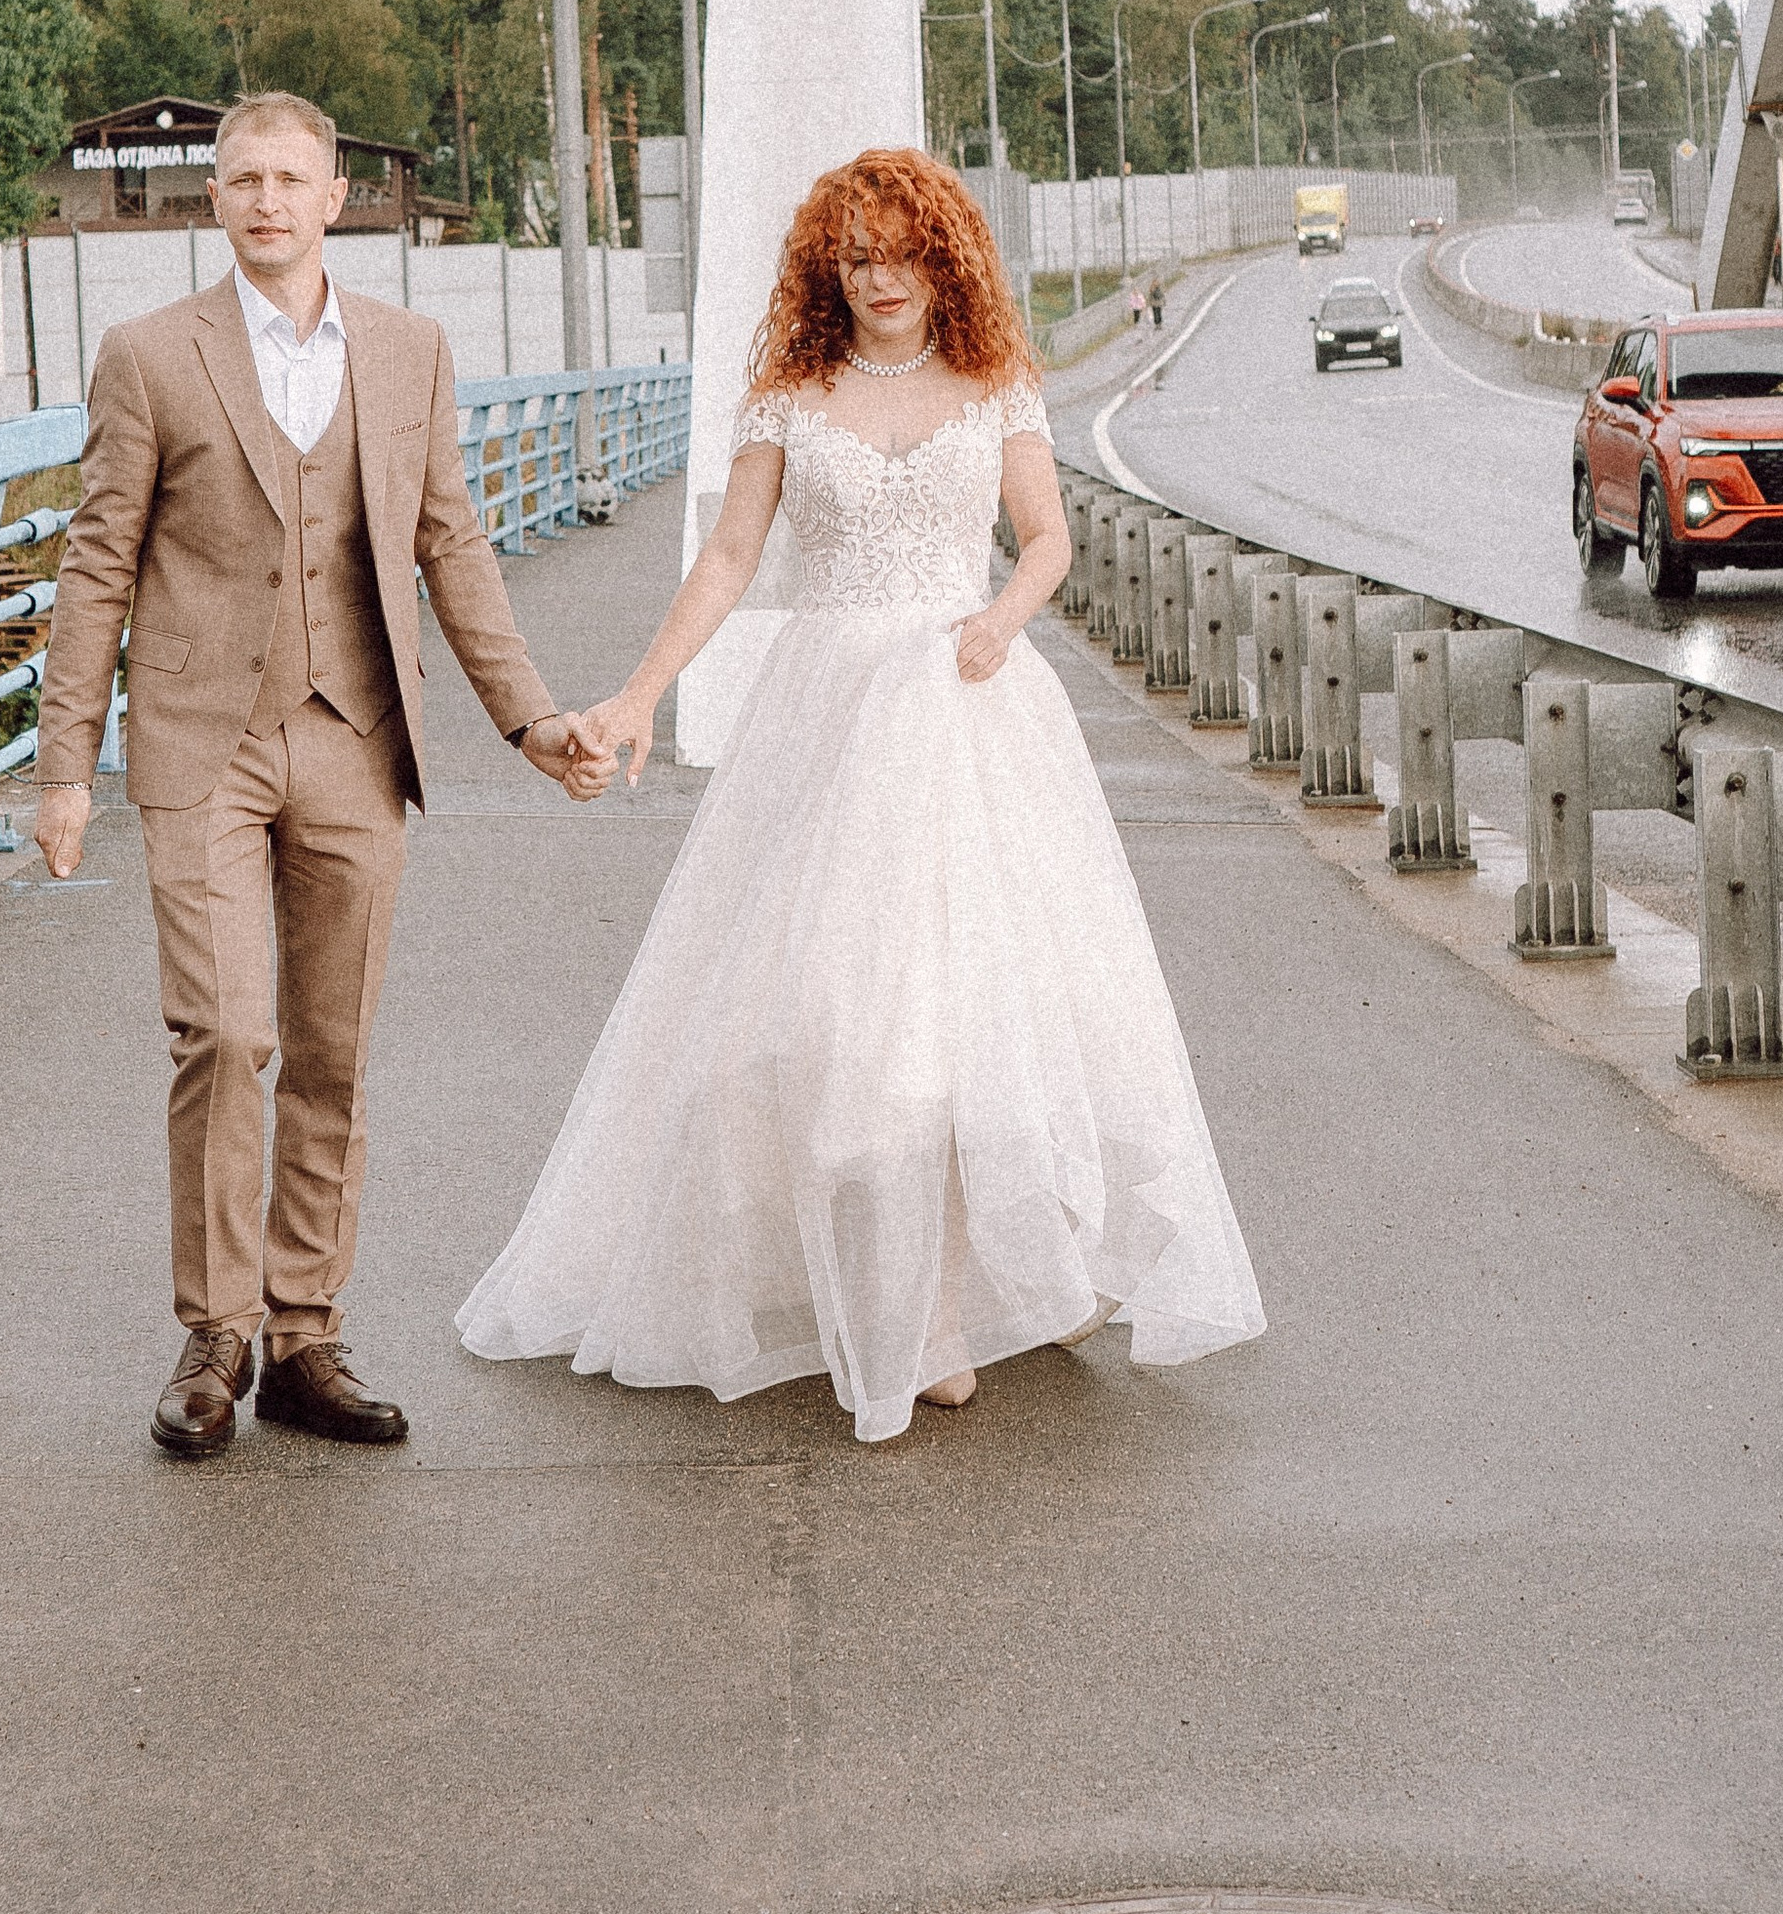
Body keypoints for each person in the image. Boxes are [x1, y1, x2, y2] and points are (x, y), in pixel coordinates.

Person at [457, 147, 1264, 1445]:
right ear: (829, 272)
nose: (882, 278)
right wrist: (637, 693)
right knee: (836, 1024)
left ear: (944, 257)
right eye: (858, 258)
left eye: (903, 253)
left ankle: (971, 1287)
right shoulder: (790, 394)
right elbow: (729, 559)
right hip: (828, 718)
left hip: (966, 704)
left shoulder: (997, 379)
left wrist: (1003, 618)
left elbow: (1045, 535)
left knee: (988, 1016)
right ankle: (901, 1305)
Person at [36, 91, 604, 1463]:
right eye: (244, 180)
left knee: (334, 1051)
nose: (269, 201)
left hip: (355, 738)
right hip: (200, 745)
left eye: (292, 179)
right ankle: (214, 1335)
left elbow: (451, 546)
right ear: (215, 200)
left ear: (335, 196)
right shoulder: (149, 354)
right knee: (227, 1034)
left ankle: (305, 1335)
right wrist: (63, 770)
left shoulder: (411, 351)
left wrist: (531, 723)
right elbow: (97, 562)